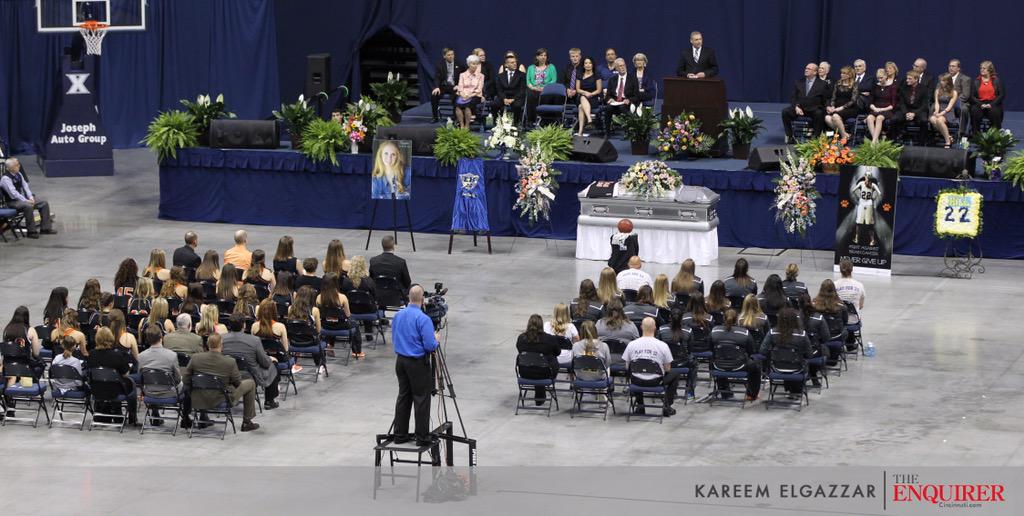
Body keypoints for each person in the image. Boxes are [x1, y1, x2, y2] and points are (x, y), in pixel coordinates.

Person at [391, 285, 440, 446]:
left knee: (403, 396)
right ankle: (422, 436)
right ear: (422, 300)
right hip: (417, 363)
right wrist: (436, 339)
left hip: (401, 361)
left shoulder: (398, 315)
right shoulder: (423, 319)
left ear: (408, 298)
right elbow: (430, 345)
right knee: (421, 398)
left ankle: (400, 434)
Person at [183, 333, 260, 432]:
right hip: (221, 399)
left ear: (207, 345)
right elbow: (237, 383)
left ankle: (203, 416)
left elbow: (186, 380)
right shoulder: (230, 362)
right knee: (250, 383)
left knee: (203, 386)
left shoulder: (195, 358)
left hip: (198, 399)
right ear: (221, 345)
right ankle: (247, 422)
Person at [622, 318, 680, 417]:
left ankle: (640, 406)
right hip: (656, 381)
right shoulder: (663, 346)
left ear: (641, 328)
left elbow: (627, 367)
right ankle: (667, 406)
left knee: (635, 374)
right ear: (655, 328)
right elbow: (667, 369)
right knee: (675, 375)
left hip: (637, 381)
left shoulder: (631, 345)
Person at [226, 311, 281, 410]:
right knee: (273, 364)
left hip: (228, 374)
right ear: (244, 325)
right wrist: (270, 358)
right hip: (249, 374)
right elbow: (265, 362)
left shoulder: (221, 339)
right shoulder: (254, 340)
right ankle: (269, 401)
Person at [88, 327, 139, 425]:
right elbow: (126, 374)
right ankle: (132, 416)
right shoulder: (117, 355)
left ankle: (102, 412)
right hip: (115, 390)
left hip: (96, 390)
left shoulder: (91, 354)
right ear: (111, 338)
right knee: (132, 385)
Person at [759, 307, 812, 398]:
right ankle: (795, 390)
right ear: (795, 319)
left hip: (776, 368)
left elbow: (762, 351)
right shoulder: (802, 334)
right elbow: (809, 354)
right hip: (797, 369)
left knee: (786, 360)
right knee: (797, 361)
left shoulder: (772, 333)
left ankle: (791, 389)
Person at [710, 309, 760, 401]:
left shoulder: (714, 331)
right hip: (740, 365)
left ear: (723, 318)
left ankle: (724, 392)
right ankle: (752, 394)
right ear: (737, 319)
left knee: (716, 359)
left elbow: (710, 349)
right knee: (756, 366)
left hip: (718, 365)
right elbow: (751, 351)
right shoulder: (744, 333)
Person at [0, 158, 56, 238]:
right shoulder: (5, 179)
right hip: (12, 202)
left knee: (43, 203)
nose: (19, 166)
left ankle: (45, 228)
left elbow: (25, 186)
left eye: (18, 164)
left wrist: (30, 197)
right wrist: (26, 201)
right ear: (10, 168)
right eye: (16, 165)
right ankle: (31, 231)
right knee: (28, 206)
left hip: (22, 199)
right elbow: (13, 194)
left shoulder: (18, 174)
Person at [137, 325, 182, 423]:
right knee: (185, 386)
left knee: (152, 381)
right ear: (161, 337)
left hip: (149, 392)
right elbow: (177, 379)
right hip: (168, 392)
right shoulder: (172, 355)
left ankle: (155, 413)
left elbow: (140, 378)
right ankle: (186, 417)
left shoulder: (140, 356)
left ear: (148, 339)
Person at [782, 63, 827, 143]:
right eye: (806, 68)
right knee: (785, 112)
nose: (806, 70)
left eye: (809, 69)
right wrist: (796, 106)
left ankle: (815, 139)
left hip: (814, 109)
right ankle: (790, 136)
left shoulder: (822, 84)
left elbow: (825, 99)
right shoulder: (799, 82)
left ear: (815, 72)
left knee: (819, 113)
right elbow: (793, 97)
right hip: (800, 108)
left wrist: (823, 107)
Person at [656, 308, 697, 399]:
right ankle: (690, 391)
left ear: (670, 317)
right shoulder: (688, 331)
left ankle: (668, 388)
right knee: (694, 363)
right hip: (682, 362)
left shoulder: (662, 329)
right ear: (682, 318)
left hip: (665, 364)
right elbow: (690, 350)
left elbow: (657, 347)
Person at [603, 58, 639, 134]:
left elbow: (637, 96)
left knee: (622, 107)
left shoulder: (633, 79)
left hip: (626, 102)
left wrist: (629, 100)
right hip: (615, 101)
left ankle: (629, 131)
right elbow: (608, 95)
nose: (622, 67)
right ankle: (607, 132)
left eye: (623, 65)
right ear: (616, 68)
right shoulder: (612, 79)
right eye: (620, 66)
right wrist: (609, 99)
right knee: (608, 108)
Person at [430, 47, 463, 123]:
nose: (451, 56)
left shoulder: (460, 64)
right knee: (434, 95)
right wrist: (436, 87)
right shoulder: (440, 65)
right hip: (443, 86)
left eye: (452, 54)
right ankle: (435, 117)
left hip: (455, 86)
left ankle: (455, 118)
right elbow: (437, 77)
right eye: (448, 55)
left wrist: (460, 85)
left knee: (457, 95)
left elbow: (464, 76)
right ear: (444, 56)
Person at [824, 66, 858, 140]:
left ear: (849, 75)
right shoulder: (838, 83)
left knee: (835, 116)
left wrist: (841, 108)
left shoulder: (854, 84)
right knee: (827, 117)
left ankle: (843, 137)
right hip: (837, 108)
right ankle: (845, 134)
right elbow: (833, 97)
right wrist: (832, 106)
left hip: (849, 108)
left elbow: (853, 100)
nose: (841, 75)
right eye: (841, 73)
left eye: (844, 73)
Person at [893, 70, 929, 138]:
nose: (907, 80)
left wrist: (914, 113)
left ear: (916, 79)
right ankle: (894, 140)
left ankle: (922, 142)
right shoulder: (903, 88)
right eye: (907, 78)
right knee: (894, 119)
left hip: (918, 110)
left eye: (909, 79)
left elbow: (924, 105)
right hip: (906, 110)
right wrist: (906, 113)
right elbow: (901, 103)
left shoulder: (924, 89)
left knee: (924, 121)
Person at [970, 61, 1004, 133]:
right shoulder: (976, 81)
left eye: (984, 68)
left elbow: (1001, 95)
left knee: (995, 112)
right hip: (980, 103)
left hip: (993, 103)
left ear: (990, 70)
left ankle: (995, 134)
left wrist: (991, 104)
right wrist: (980, 104)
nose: (981, 69)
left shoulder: (997, 80)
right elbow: (972, 96)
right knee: (974, 112)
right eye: (981, 68)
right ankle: (976, 135)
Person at [493, 52, 527, 124]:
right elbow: (499, 90)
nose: (515, 64)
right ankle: (497, 123)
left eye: (515, 62)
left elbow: (522, 90)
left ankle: (516, 124)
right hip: (504, 97)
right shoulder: (501, 76)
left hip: (516, 97)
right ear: (506, 65)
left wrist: (513, 99)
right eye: (512, 62)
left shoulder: (521, 75)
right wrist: (504, 98)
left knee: (517, 106)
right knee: (494, 104)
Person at [453, 55, 485, 129]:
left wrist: (469, 95)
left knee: (468, 105)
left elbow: (479, 89)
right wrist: (463, 95)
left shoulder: (481, 76)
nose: (475, 66)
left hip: (475, 95)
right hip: (463, 95)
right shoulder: (462, 75)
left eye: (476, 64)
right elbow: (460, 87)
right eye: (473, 64)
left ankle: (467, 125)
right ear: (468, 64)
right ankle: (461, 125)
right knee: (457, 106)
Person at [866, 68, 898, 143]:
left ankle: (873, 142)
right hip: (875, 109)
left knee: (879, 118)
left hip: (887, 110)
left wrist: (881, 110)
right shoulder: (874, 86)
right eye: (878, 78)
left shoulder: (892, 87)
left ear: (886, 76)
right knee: (869, 118)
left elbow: (893, 105)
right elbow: (870, 102)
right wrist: (874, 108)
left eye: (881, 78)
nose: (879, 80)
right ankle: (876, 140)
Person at [525, 48, 556, 125]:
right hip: (534, 89)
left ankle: (544, 120)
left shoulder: (551, 67)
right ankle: (531, 121)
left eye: (545, 55)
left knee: (545, 95)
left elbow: (553, 80)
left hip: (546, 90)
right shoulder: (530, 67)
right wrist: (533, 87)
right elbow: (528, 81)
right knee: (530, 95)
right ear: (537, 57)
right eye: (541, 55)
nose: (543, 57)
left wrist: (544, 88)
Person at [544, 303, 579, 368]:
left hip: (550, 359)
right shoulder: (571, 327)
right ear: (567, 313)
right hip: (567, 360)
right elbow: (577, 343)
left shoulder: (546, 325)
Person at [931, 73, 960, 147]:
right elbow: (937, 103)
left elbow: (950, 106)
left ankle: (947, 142)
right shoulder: (937, 90)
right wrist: (936, 111)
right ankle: (949, 136)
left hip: (948, 112)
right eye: (940, 80)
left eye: (943, 81)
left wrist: (941, 114)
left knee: (939, 120)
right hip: (939, 110)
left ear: (948, 81)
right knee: (932, 119)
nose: (941, 82)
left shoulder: (954, 92)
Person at [575, 56, 602, 136]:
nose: (588, 65)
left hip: (593, 98)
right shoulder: (580, 75)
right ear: (583, 65)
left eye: (589, 63)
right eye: (586, 63)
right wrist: (585, 92)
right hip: (582, 96)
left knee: (580, 107)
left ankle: (580, 132)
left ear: (592, 64)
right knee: (582, 97)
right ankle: (590, 120)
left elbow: (599, 90)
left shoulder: (597, 75)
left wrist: (591, 94)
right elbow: (578, 89)